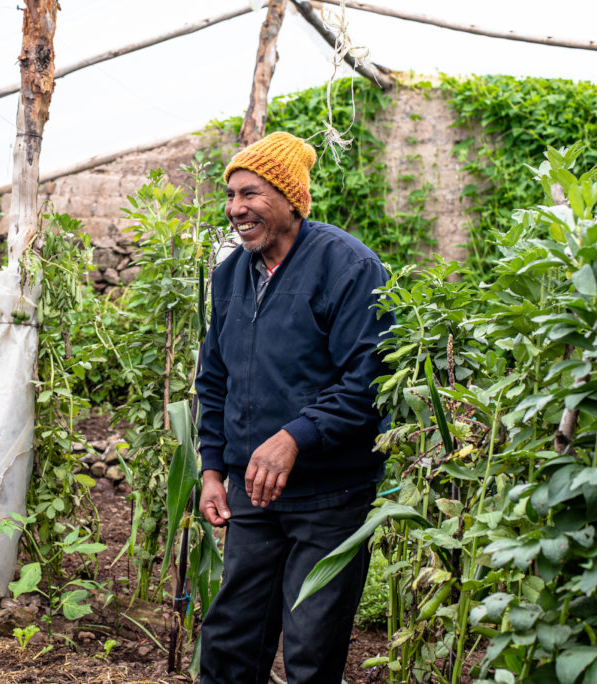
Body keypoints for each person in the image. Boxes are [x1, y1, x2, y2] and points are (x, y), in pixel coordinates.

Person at [195, 131, 392, 683]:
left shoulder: (346, 265)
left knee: (311, 649)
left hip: (330, 494)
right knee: (232, 638)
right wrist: (213, 469)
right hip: (252, 492)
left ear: (289, 197)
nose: (236, 208)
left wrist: (295, 436)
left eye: (250, 194)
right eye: (231, 195)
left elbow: (370, 379)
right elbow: (214, 378)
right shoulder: (230, 274)